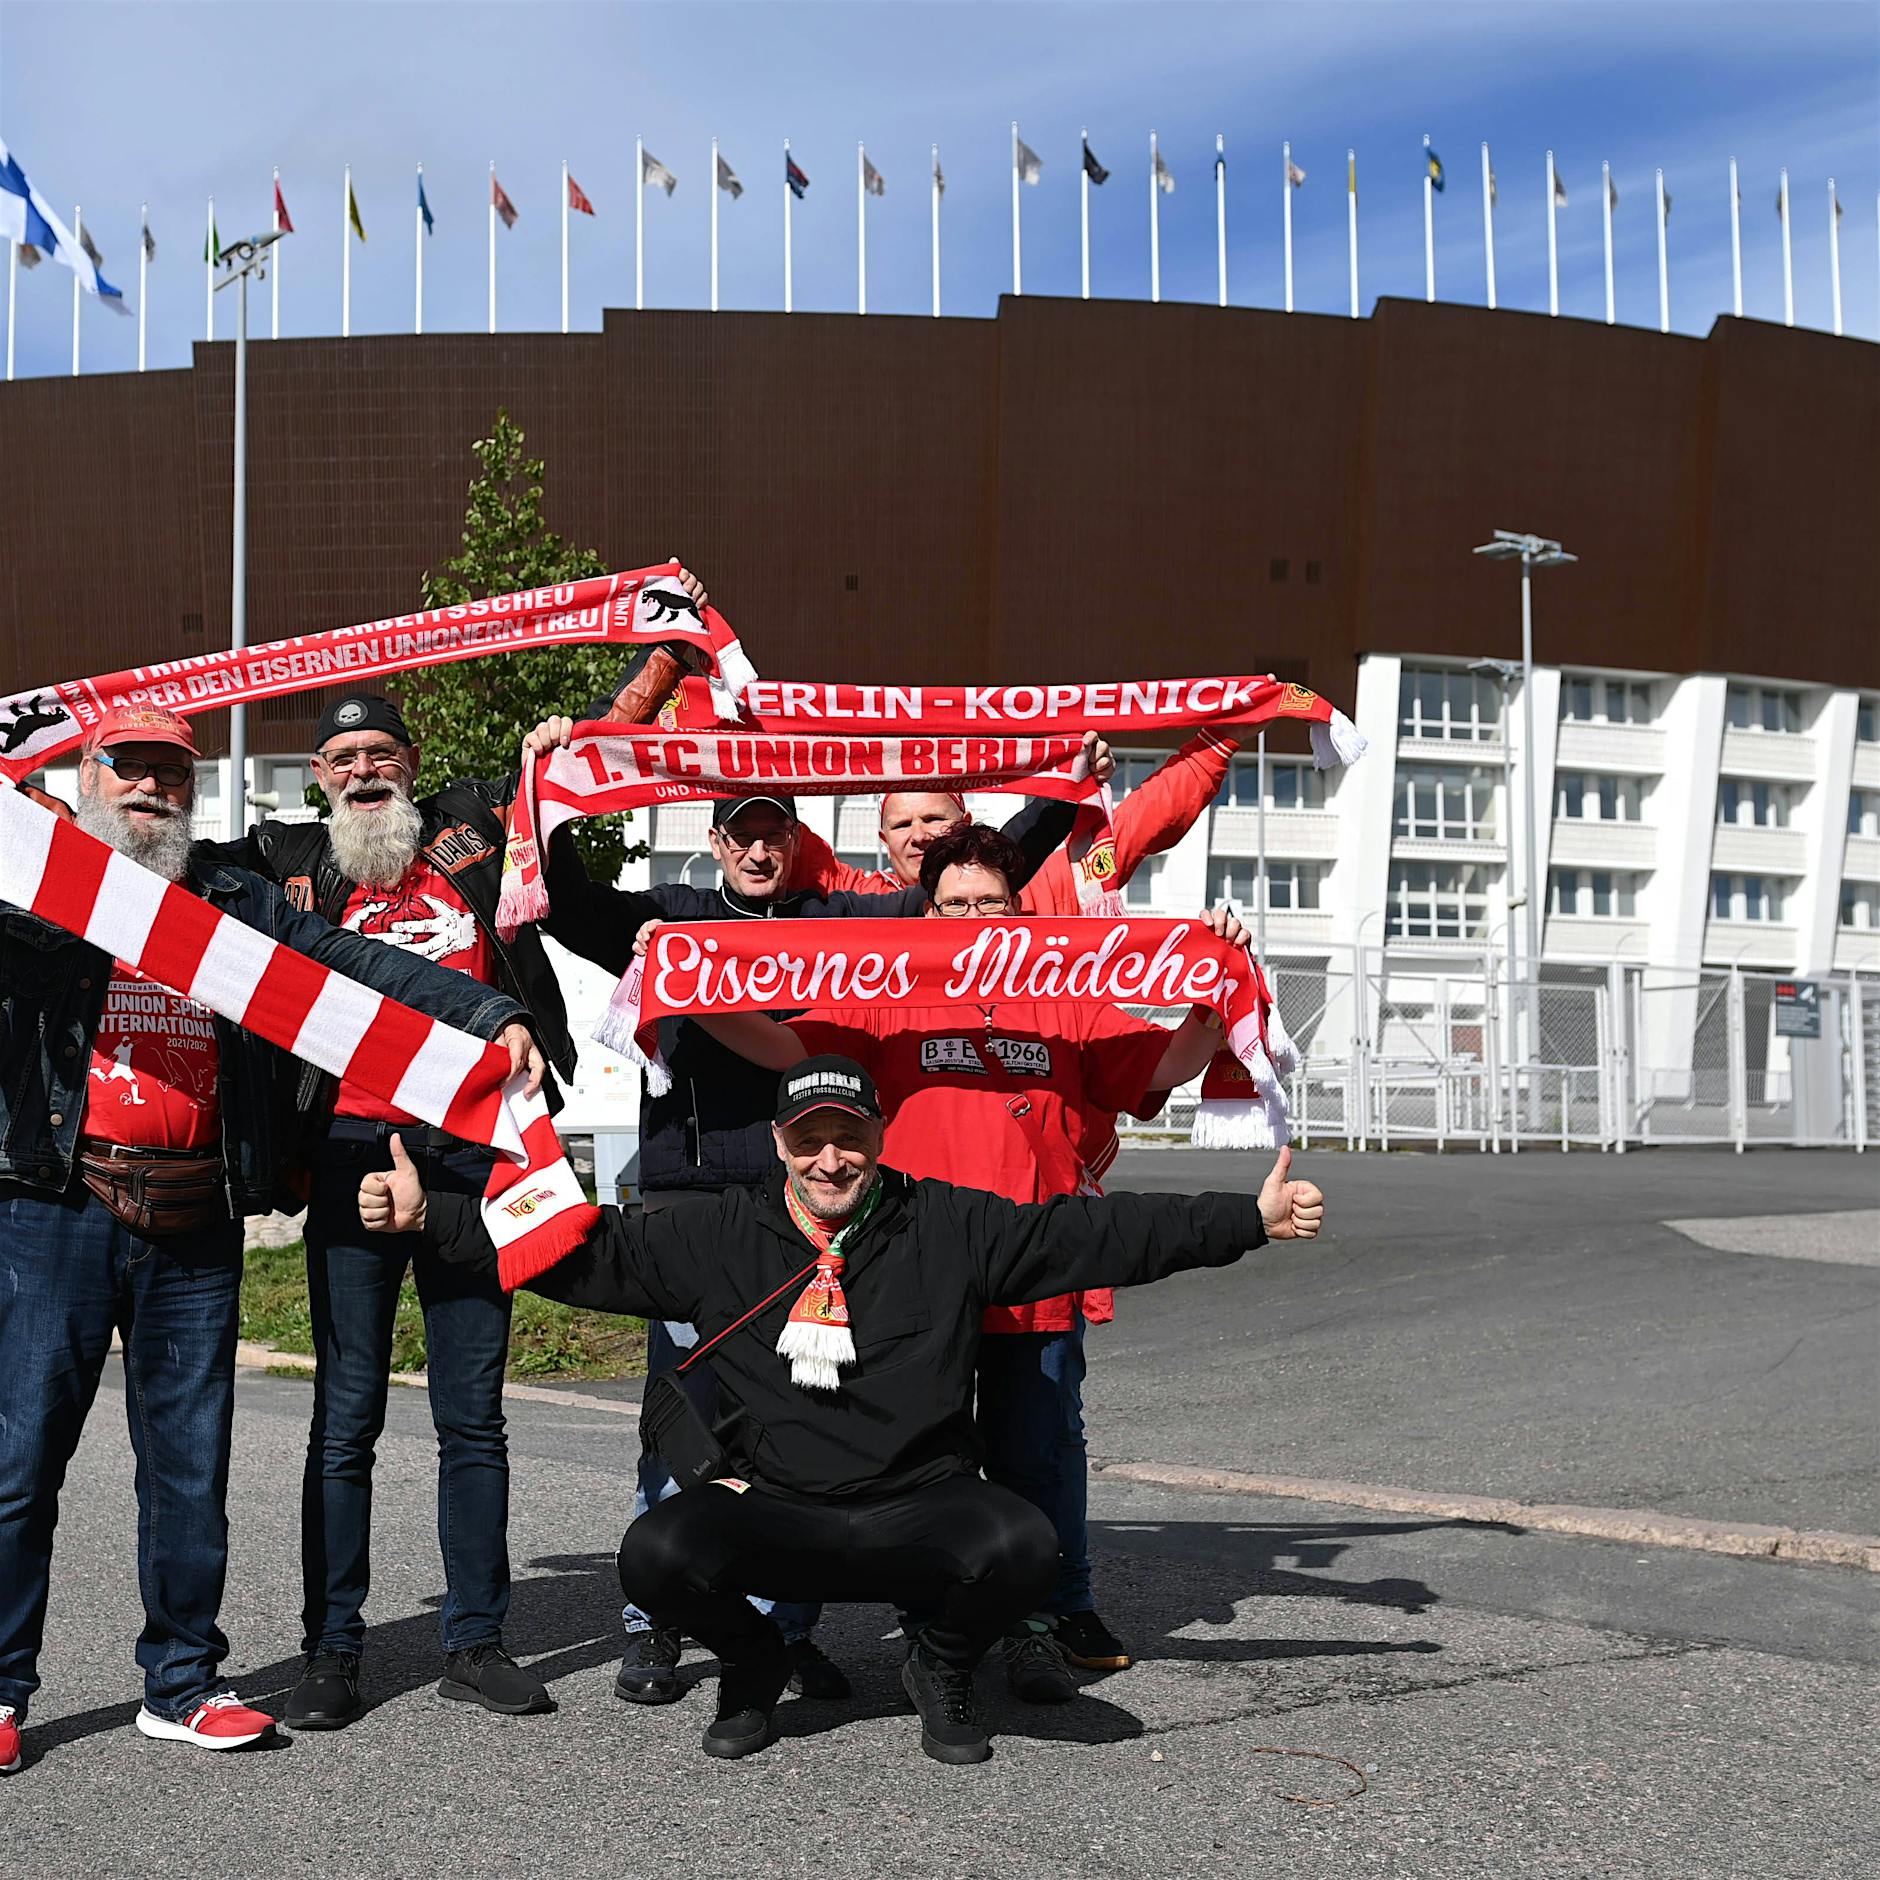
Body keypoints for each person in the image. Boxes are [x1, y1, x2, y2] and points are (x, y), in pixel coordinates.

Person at [359, 1054, 1324, 1765]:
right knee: (654, 1554)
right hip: (777, 1501)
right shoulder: (726, 1230)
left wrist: (1248, 1220)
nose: (831, 1158)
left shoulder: (945, 1220)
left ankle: (940, 1664)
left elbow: (1091, 1232)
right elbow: (588, 1250)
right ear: (781, 1142)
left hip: (919, 1498)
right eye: (809, 1138)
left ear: (878, 1136)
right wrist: (433, 1222)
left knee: (1028, 1547)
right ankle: (751, 1665)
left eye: (850, 1135)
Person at [192, 596, 711, 1733]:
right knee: (346, 1417)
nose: (364, 770)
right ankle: (332, 1650)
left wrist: (663, 654)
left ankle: (476, 1638)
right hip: (342, 1152)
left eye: (381, 752)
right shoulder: (282, 859)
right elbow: (148, 849)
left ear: (412, 765)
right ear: (318, 774)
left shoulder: (471, 827)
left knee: (474, 1414)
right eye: (341, 757)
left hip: (480, 1150)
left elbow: (580, 744)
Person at [0, 708, 542, 1771]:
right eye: (130, 772)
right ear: (87, 779)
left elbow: (352, 961)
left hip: (193, 1215)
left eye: (170, 774)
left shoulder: (235, 899)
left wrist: (482, 1011)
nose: (150, 791)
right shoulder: (39, 888)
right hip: (54, 1206)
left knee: (191, 1467)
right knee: (20, 1461)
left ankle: (183, 1681)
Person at [527, 725, 1103, 1703]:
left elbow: (973, 884)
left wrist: (1064, 775)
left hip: (820, 1219)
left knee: (804, 1430)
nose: (757, 849)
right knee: (687, 1420)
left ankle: (780, 1627)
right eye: (740, 833)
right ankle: (653, 1620)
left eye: (773, 833)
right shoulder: (669, 913)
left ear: (796, 841)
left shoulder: (845, 918)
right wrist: (548, 785)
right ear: (713, 841)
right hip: (694, 1210)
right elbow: (567, 903)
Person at [691, 821, 1250, 1702]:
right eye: (955, 903)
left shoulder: (1066, 993)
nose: (973, 916)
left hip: (1036, 1271)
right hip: (913, 1276)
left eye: (990, 901)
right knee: (906, 1462)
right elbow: (785, 1048)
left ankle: (1041, 1619)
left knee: (1042, 1455)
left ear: (1020, 909)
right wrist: (695, 986)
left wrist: (1215, 991)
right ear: (930, 909)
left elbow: (1166, 1063)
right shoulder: (891, 985)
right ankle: (920, 1621)